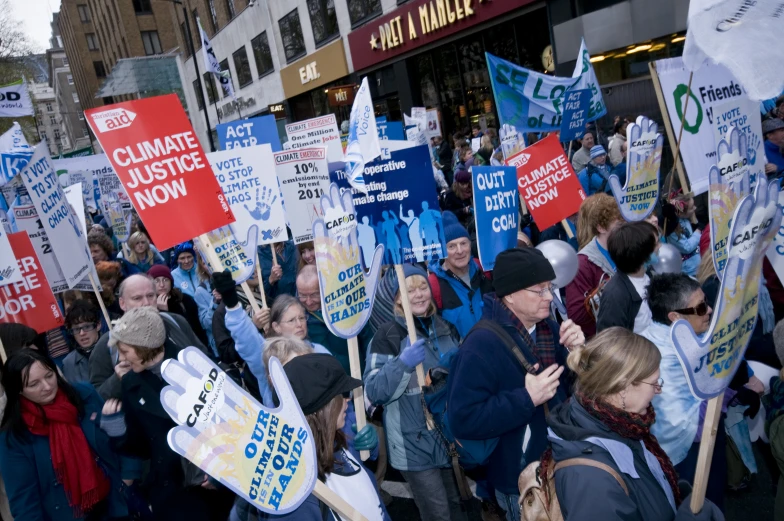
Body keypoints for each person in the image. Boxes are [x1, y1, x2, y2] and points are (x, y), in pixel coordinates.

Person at [446, 248, 585, 520]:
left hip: (558, 459)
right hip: (519, 479)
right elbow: (463, 419)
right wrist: (526, 399)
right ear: (510, 295)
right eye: (539, 290)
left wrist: (579, 354)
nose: (549, 297)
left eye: (550, 288)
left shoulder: (548, 329)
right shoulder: (480, 345)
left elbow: (570, 391)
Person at [543, 327, 724, 521]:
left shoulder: (620, 423)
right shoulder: (591, 480)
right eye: (654, 382)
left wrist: (676, 494)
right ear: (622, 387)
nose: (658, 390)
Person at [98, 307, 234, 520]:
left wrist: (220, 468)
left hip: (214, 484)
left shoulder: (194, 365)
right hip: (173, 493)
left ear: (144, 347)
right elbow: (142, 448)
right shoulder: (131, 383)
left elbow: (230, 422)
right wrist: (117, 429)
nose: (121, 359)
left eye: (125, 351)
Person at [364, 264, 467, 521]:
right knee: (438, 514)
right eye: (410, 290)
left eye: (423, 287)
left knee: (458, 505)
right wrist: (402, 363)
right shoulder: (386, 335)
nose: (420, 294)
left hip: (447, 436)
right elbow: (374, 391)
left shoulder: (446, 327)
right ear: (397, 297)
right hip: (413, 444)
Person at [0, 349, 135, 521]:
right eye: (34, 384)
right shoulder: (14, 437)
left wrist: (128, 478)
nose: (47, 386)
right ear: (18, 391)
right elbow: (24, 503)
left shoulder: (84, 396)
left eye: (49, 375)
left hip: (114, 504)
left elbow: (122, 441)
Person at [641, 274, 732, 509]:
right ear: (675, 317)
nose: (710, 310)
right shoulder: (668, 355)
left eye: (707, 302)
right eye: (701, 307)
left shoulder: (651, 334)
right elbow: (685, 410)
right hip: (689, 449)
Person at [272, 353, 390, 521]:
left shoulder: (333, 441)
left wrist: (368, 450)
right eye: (340, 395)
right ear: (323, 409)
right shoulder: (296, 497)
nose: (347, 399)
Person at [213, 270, 329, 406]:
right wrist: (232, 304)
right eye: (291, 320)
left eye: (302, 318)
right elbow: (247, 338)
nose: (299, 324)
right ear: (277, 326)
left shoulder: (320, 351)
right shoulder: (269, 358)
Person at [88, 274, 209, 400]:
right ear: (122, 303)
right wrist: (117, 380)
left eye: (150, 296)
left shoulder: (175, 322)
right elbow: (97, 396)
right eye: (137, 298)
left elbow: (204, 357)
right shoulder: (109, 344)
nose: (146, 303)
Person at [297, 265, 374, 376]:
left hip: (356, 376)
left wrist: (370, 369)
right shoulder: (297, 317)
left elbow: (368, 339)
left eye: (314, 295)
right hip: (325, 383)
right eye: (302, 295)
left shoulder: (347, 306)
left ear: (324, 288)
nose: (308, 302)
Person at [427, 211, 493, 338]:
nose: (460, 251)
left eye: (463, 243)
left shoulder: (483, 269)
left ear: (470, 245)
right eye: (451, 246)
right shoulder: (434, 285)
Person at [566, 194, 622, 338]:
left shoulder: (627, 248)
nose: (624, 229)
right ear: (601, 228)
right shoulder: (582, 263)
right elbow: (576, 314)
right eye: (618, 225)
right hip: (607, 339)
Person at [597, 221, 659, 333]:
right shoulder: (615, 295)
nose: (660, 247)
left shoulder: (649, 274)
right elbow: (609, 341)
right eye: (656, 244)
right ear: (642, 253)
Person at [147, 264, 209, 347]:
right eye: (156, 281)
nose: (162, 285)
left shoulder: (184, 299)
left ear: (171, 282)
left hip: (193, 347)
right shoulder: (148, 306)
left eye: (165, 280)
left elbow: (197, 329)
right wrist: (163, 312)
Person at [62, 300, 103, 384]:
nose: (82, 333)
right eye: (76, 329)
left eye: (87, 327)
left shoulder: (114, 350)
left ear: (98, 325)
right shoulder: (68, 363)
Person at [662, 204, 701, 277]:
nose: (695, 208)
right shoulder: (672, 230)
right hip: (688, 271)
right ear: (681, 211)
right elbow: (687, 247)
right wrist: (698, 232)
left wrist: (694, 219)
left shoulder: (685, 220)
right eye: (691, 207)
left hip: (697, 265)